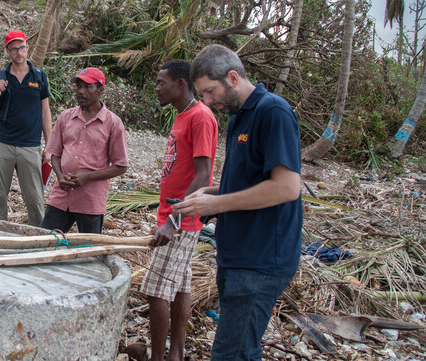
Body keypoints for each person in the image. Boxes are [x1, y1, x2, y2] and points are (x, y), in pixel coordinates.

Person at [172, 44, 302, 360]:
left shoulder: (272, 112)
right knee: (235, 349)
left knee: (233, 353)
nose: (207, 101)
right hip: (236, 255)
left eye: (210, 91)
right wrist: (210, 194)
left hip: (260, 260)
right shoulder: (237, 116)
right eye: (202, 94)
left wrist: (217, 205)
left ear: (233, 77)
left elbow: (286, 188)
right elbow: (248, 184)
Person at [141, 60, 218, 361]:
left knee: (156, 289)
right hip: (175, 216)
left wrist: (174, 219)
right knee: (180, 285)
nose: (157, 88)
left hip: (182, 220)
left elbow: (203, 175)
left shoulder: (200, 117)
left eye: (162, 82)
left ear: (181, 84)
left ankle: (158, 357)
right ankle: (176, 351)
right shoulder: (182, 116)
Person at [41, 67, 129, 233]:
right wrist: (60, 176)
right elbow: (55, 153)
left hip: (91, 200)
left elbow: (121, 166)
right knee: (45, 242)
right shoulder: (66, 117)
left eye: (87, 87)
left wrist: (87, 177)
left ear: (100, 90)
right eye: (78, 86)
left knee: (89, 248)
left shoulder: (113, 123)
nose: (80, 91)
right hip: (62, 195)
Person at [0, 30, 52, 227]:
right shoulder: (0, 76)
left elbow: (45, 112)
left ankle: (38, 239)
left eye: (21, 47)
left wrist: (50, 145)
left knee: (35, 198)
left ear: (27, 46)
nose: (19, 52)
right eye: (14, 49)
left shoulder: (39, 76)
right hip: (2, 143)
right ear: (8, 51)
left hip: (29, 145)